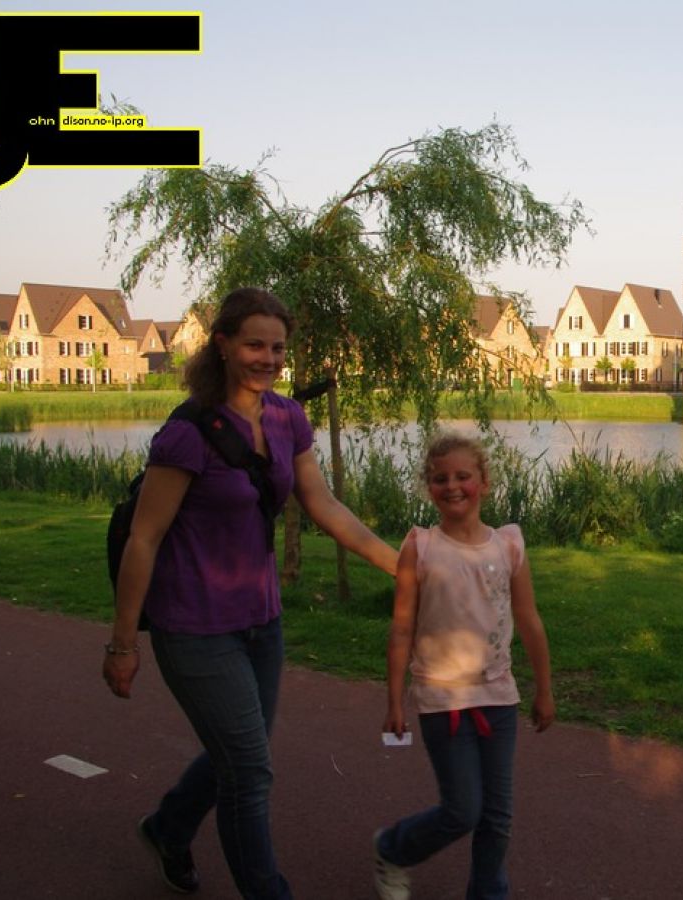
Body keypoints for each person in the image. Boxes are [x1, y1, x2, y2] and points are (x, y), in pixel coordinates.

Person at [102, 286, 399, 900]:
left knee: (240, 753)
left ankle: (168, 829)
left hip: (261, 620)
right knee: (249, 772)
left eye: (278, 348)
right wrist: (123, 644)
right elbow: (143, 538)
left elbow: (323, 505)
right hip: (194, 627)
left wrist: (400, 566)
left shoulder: (288, 419)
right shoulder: (188, 433)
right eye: (255, 345)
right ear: (223, 345)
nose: (268, 359)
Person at [374, 432, 555, 900]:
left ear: (484, 482)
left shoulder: (508, 545)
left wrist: (544, 688)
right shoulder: (420, 547)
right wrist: (394, 701)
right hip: (441, 699)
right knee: (462, 811)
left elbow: (529, 619)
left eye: (463, 476)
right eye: (440, 479)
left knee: (497, 815)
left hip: (498, 696)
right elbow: (401, 629)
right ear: (429, 487)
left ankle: (488, 892)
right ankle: (394, 848)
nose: (452, 486)